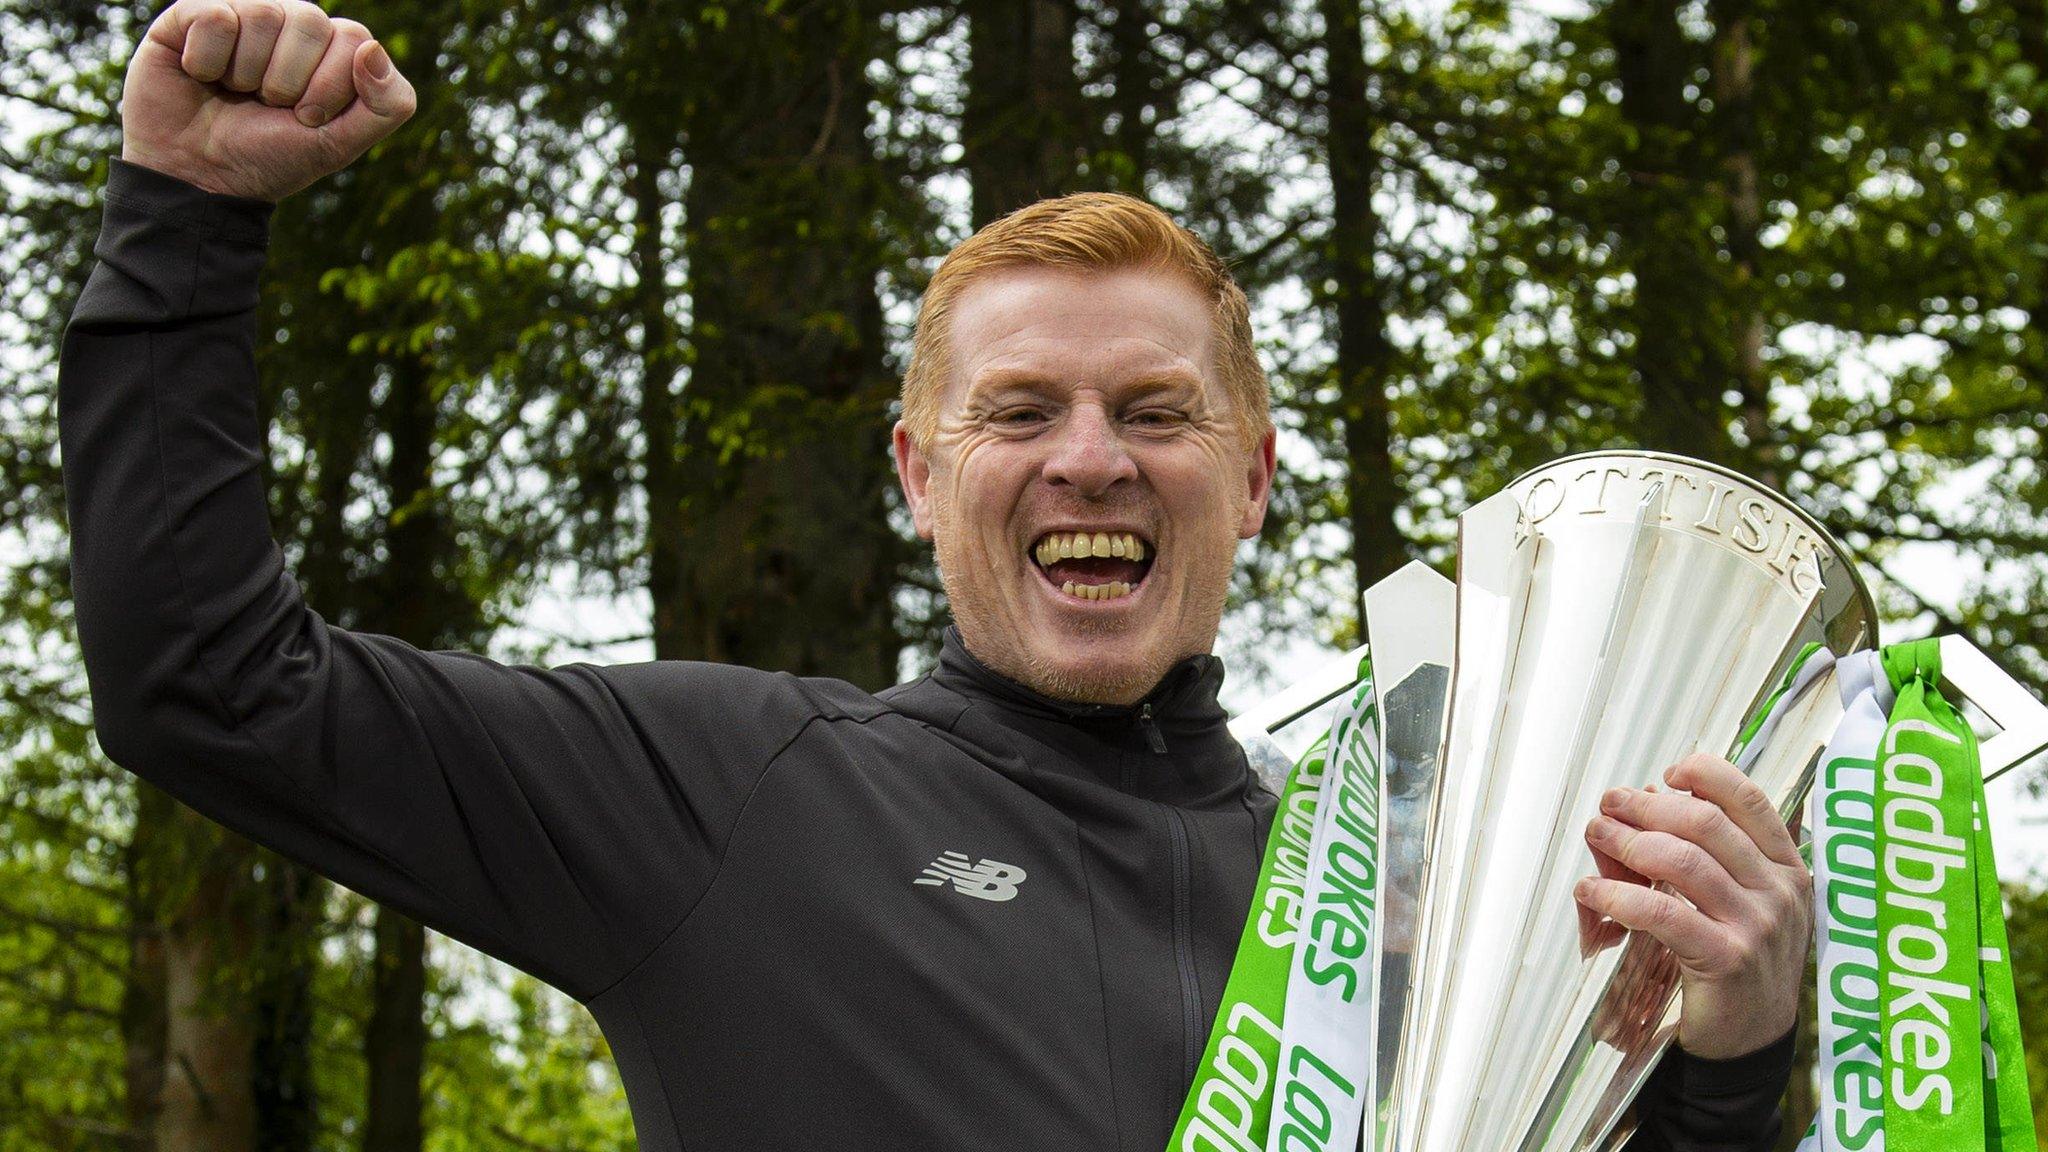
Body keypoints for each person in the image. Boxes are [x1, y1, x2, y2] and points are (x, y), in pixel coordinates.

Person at [59, 2, 1814, 1148]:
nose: (1091, 460)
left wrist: (1736, 1051)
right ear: (917, 477)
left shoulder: (1403, 904)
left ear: (1256, 479)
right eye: (1018, 411)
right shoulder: (716, 794)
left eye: (1155, 410)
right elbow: (213, 686)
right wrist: (185, 217)